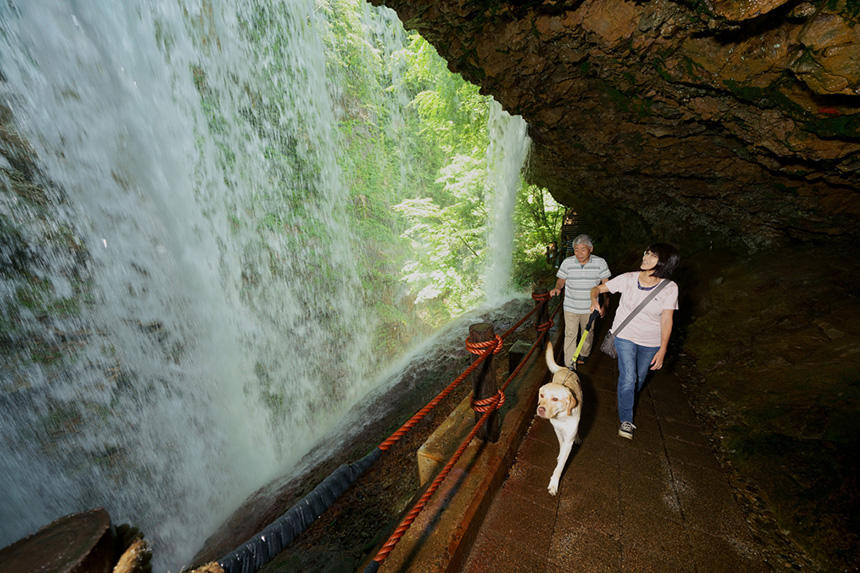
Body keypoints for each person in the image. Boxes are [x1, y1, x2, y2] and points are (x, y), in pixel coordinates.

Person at [590, 243, 679, 440]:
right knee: (629, 378)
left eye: (652, 255)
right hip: (624, 336)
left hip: (651, 342)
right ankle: (626, 420)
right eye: (646, 253)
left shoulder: (670, 288)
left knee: (637, 379)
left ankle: (625, 396)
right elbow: (597, 288)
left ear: (664, 262)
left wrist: (663, 349)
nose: (645, 257)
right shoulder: (628, 279)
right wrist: (593, 299)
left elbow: (667, 319)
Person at [549, 234, 610, 368]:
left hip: (590, 307)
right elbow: (561, 280)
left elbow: (606, 285)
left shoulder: (600, 263)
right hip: (570, 306)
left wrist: (605, 304)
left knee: (588, 333)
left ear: (591, 249)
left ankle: (584, 353)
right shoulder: (567, 262)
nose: (579, 253)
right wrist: (557, 288)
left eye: (583, 249)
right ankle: (570, 364)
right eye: (576, 249)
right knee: (570, 333)